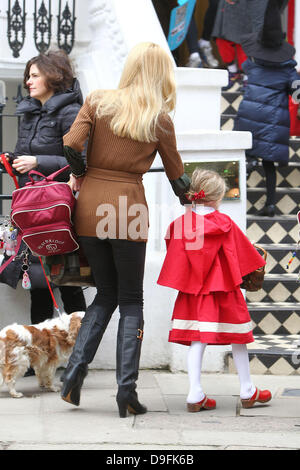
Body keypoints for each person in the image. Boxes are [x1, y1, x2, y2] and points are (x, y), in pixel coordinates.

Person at [60, 42, 190, 417]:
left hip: (90, 206)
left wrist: (82, 172)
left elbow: (70, 143)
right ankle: (126, 392)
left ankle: (73, 376)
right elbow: (177, 176)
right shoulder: (160, 118)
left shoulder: (99, 101)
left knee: (104, 295)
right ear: (160, 72)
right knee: (131, 299)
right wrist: (194, 199)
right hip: (128, 207)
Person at [157, 168, 272, 410]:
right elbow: (246, 257)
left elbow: (175, 256)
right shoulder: (225, 223)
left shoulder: (180, 225)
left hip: (194, 293)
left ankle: (194, 393)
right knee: (239, 339)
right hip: (224, 290)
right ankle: (247, 389)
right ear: (218, 197)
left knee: (198, 340)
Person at [0, 51, 87, 329]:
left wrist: (39, 161)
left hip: (61, 210)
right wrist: (12, 160)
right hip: (32, 209)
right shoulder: (28, 112)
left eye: (35, 75)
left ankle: (78, 358)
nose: (28, 81)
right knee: (38, 282)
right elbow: (24, 157)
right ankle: (40, 358)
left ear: (53, 76)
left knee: (70, 282)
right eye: (28, 75)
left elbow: (82, 161)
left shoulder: (72, 111)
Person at [234, 0, 300, 217]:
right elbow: (297, 94)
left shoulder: (252, 66)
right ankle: (270, 204)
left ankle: (237, 199)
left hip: (249, 118)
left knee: (245, 156)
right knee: (269, 164)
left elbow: (244, 74)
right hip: (273, 123)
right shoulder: (288, 72)